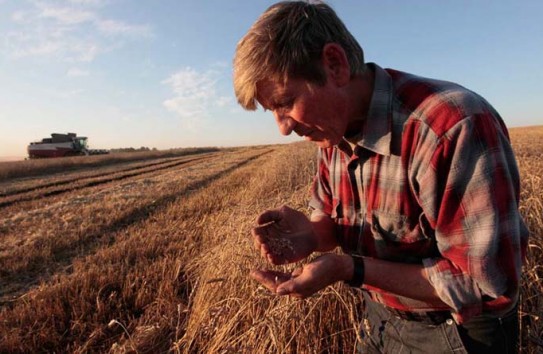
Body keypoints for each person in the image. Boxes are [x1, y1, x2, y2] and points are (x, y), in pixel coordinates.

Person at [233, 1, 529, 353]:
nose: (283, 128)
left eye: (285, 102)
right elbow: (334, 217)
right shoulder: (331, 132)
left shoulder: (450, 127)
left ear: (335, 64)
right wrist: (311, 234)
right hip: (380, 317)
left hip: (458, 331)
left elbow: (484, 284)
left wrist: (349, 268)